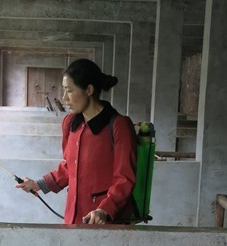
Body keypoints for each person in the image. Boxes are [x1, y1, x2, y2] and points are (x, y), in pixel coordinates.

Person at [15, 58, 138, 225]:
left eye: (70, 91)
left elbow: (124, 178)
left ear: (89, 90)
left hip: (105, 222)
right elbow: (70, 167)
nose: (64, 97)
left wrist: (105, 209)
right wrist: (38, 184)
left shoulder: (118, 126)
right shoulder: (70, 124)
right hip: (72, 219)